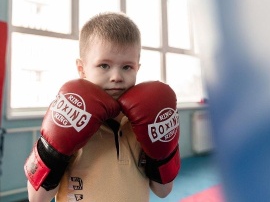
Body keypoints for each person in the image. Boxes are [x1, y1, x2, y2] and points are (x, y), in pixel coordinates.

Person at [24, 12, 180, 202]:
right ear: (82, 69)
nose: (116, 76)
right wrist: (53, 151)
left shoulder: (147, 119)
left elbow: (163, 191)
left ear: (137, 68)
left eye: (127, 67)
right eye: (104, 66)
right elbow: (36, 198)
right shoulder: (71, 116)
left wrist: (163, 149)